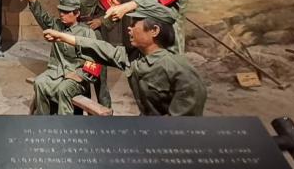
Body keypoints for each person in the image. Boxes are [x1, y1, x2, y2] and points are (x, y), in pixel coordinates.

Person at [43, 7, 206, 116]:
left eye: (134, 24)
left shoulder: (180, 70)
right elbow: (101, 48)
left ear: (154, 30)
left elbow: (182, 125)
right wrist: (62, 36)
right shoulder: (134, 57)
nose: (129, 27)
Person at [38, 0, 118, 107]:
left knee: (99, 77)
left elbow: (116, 9)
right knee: (79, 73)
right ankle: (79, 113)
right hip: (74, 34)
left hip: (92, 34)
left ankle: (106, 113)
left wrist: (101, 21)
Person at [19, 0, 98, 115]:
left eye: (66, 12)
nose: (62, 14)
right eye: (61, 10)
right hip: (55, 73)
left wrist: (80, 75)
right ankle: (44, 121)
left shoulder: (87, 33)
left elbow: (96, 62)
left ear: (77, 13)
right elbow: (39, 12)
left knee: (63, 89)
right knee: (40, 83)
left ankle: (64, 124)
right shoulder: (56, 26)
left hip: (76, 77)